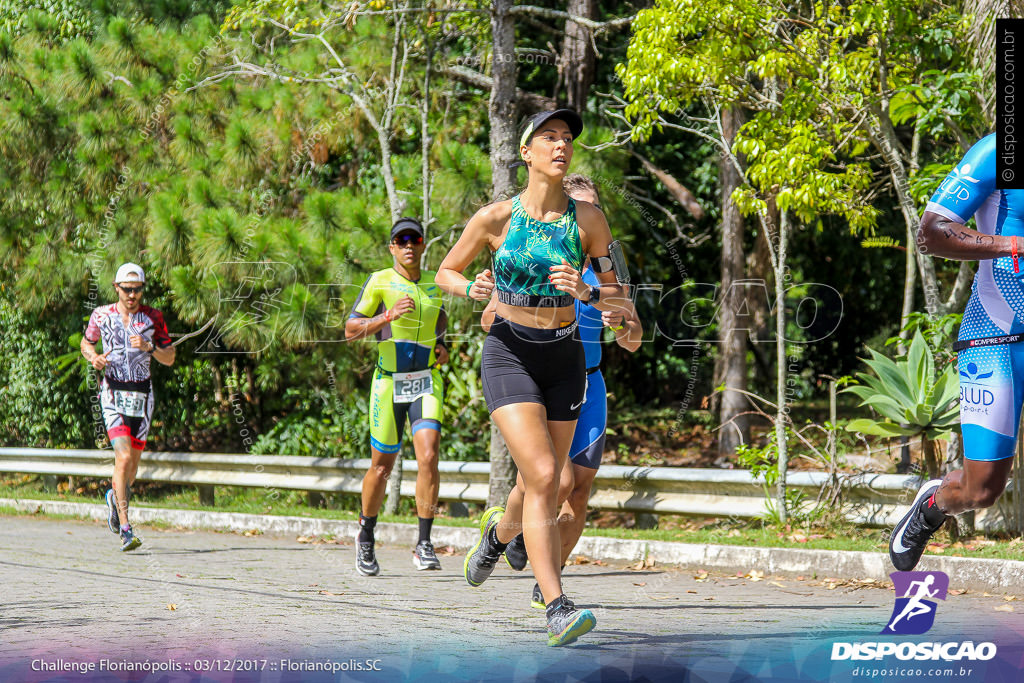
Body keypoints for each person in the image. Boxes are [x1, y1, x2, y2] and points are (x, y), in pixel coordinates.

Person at [435, 109, 630, 646]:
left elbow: (617, 301)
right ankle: (557, 606)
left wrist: (588, 293)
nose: (561, 145)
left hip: (565, 359)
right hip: (510, 353)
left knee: (538, 483)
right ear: (527, 152)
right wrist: (468, 289)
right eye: (549, 137)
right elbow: (444, 271)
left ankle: (498, 538)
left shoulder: (588, 220)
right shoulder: (496, 218)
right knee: (546, 476)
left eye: (567, 139)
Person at [482, 174, 643, 609]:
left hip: (589, 382)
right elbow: (489, 321)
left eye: (594, 209)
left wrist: (619, 320)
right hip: (539, 375)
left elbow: (633, 337)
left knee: (578, 490)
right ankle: (503, 537)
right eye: (578, 208)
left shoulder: (609, 267)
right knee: (555, 479)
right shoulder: (534, 258)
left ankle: (547, 583)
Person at [892, 132, 1020, 571]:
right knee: (982, 490)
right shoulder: (995, 151)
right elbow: (931, 233)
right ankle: (933, 504)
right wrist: (1014, 245)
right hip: (997, 337)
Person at [345, 217, 449, 575]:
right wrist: (387, 315)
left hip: (426, 381)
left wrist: (443, 346)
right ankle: (366, 535)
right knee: (381, 466)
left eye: (414, 239)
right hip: (388, 382)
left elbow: (440, 323)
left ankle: (423, 544)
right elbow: (350, 330)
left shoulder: (435, 285)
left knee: (429, 457)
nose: (408, 245)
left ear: (422, 245)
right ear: (392, 247)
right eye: (400, 240)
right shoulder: (379, 281)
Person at [81, 263, 175, 551]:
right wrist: (94, 358)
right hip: (112, 393)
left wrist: (149, 348)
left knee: (131, 470)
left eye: (137, 290)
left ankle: (113, 496)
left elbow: (169, 357)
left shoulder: (153, 318)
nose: (132, 295)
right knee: (121, 459)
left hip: (142, 397)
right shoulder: (102, 315)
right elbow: (87, 344)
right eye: (127, 289)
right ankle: (125, 528)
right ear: (116, 288)